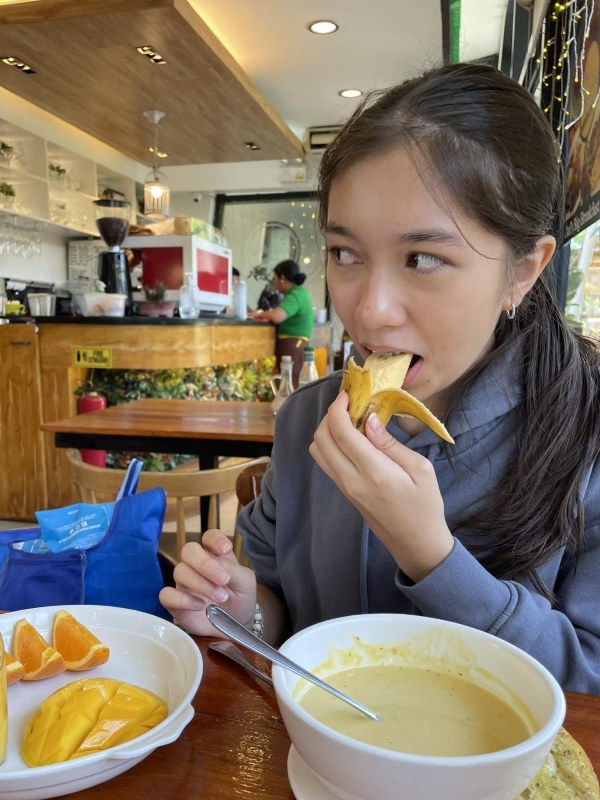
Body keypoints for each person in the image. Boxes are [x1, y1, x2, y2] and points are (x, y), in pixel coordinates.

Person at [159, 62, 600, 693]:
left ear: (525, 269)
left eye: (423, 258)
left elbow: (588, 686)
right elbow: (280, 613)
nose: (368, 310)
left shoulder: (587, 430)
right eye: (345, 253)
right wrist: (241, 605)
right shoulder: (307, 419)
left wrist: (433, 557)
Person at [249, 259, 314, 386]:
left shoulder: (296, 294)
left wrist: (257, 314)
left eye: (275, 277)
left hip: (293, 346)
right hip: (292, 345)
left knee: (290, 386)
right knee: (287, 384)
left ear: (282, 278)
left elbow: (277, 316)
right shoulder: (298, 293)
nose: (274, 281)